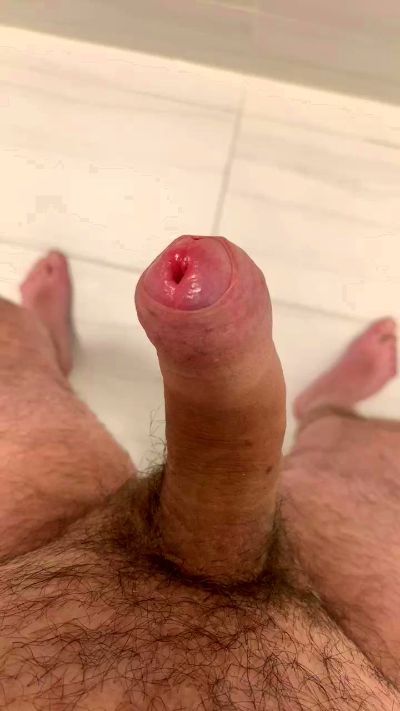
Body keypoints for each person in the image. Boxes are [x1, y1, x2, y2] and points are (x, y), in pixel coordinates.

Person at [0, 236, 398, 710]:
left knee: (8, 347)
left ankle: (44, 358)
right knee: (367, 463)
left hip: (21, 582)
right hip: (344, 665)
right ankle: (327, 409)